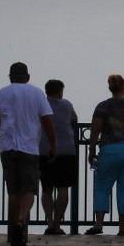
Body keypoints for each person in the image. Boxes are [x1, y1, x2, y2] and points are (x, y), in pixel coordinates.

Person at [0, 62, 56, 246]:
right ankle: (20, 221)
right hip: (29, 148)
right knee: (29, 189)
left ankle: (13, 231)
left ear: (10, 77)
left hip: (8, 146)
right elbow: (47, 122)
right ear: (27, 77)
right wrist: (53, 146)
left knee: (13, 190)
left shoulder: (2, 92)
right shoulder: (36, 93)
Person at [86, 74, 124, 236]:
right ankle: (122, 227)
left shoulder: (102, 107)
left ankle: (99, 223)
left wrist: (92, 149)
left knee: (102, 186)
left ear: (110, 88)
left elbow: (95, 129)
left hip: (110, 150)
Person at [39, 79, 78, 236]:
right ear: (60, 91)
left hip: (45, 151)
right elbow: (74, 120)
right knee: (63, 190)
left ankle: (49, 222)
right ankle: (57, 223)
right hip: (67, 151)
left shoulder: (40, 105)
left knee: (46, 189)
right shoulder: (67, 105)